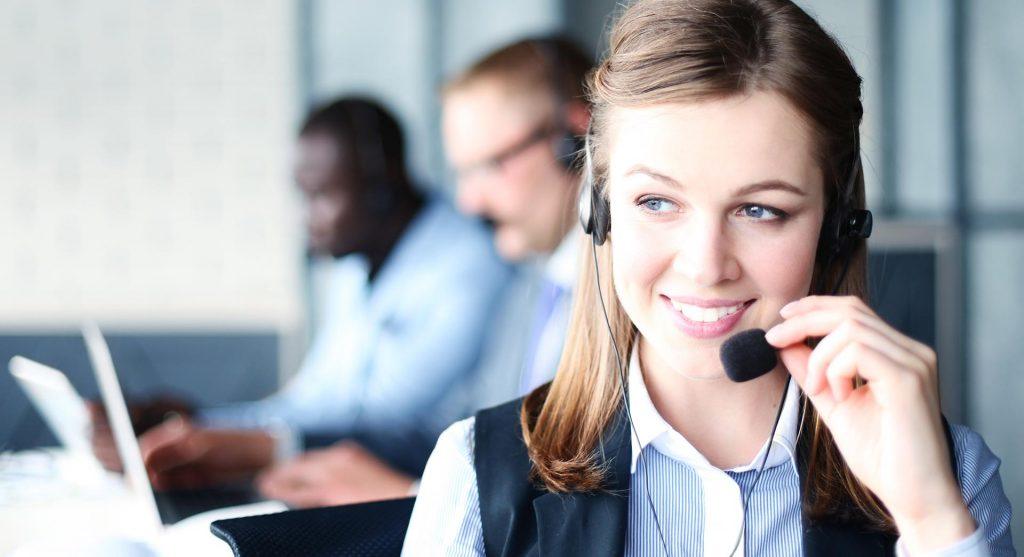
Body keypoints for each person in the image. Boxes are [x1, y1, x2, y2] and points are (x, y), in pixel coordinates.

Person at [403, 1, 1014, 555]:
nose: (705, 264)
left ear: (837, 227)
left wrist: (932, 522)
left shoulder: (951, 476)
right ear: (599, 212)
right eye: (657, 202)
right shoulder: (475, 476)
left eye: (760, 211)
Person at [91, 97, 511, 492]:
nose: (306, 219)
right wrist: (189, 424)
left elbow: (383, 423)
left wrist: (232, 438)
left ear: (382, 189)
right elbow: (310, 401)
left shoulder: (469, 265)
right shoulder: (354, 264)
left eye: (322, 196)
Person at [254, 37, 595, 508]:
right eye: (461, 173)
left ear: (574, 137)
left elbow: (579, 505)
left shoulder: (631, 299)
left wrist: (408, 496)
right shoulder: (532, 288)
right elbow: (467, 435)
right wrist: (281, 449)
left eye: (488, 167)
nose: (467, 202)